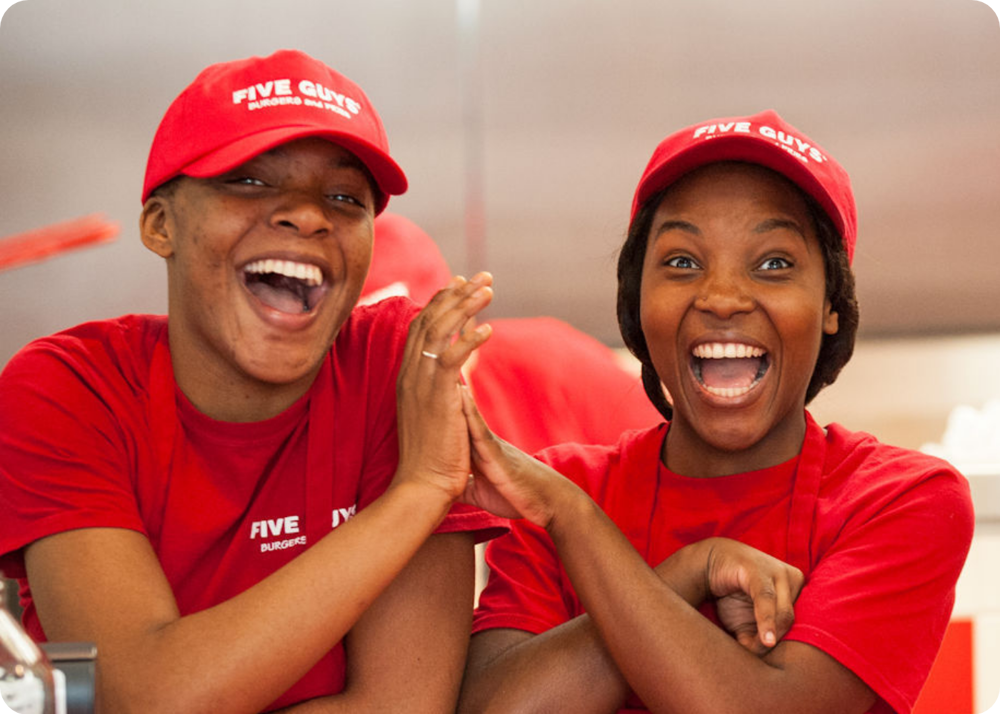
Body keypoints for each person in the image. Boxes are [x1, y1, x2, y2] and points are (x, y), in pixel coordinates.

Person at [0, 49, 506, 714]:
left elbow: (402, 705)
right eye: (251, 182)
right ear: (161, 224)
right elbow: (146, 696)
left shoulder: (392, 368)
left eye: (344, 197)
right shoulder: (67, 389)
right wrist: (415, 494)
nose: (308, 215)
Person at [457, 110, 975, 714]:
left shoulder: (901, 499)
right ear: (636, 301)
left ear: (831, 303)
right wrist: (688, 572)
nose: (723, 298)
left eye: (774, 263)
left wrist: (575, 522)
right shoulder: (566, 488)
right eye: (682, 262)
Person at [360, 211, 665, 455]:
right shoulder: (343, 454)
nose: (420, 393)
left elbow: (678, 470)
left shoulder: (551, 363)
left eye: (441, 358)